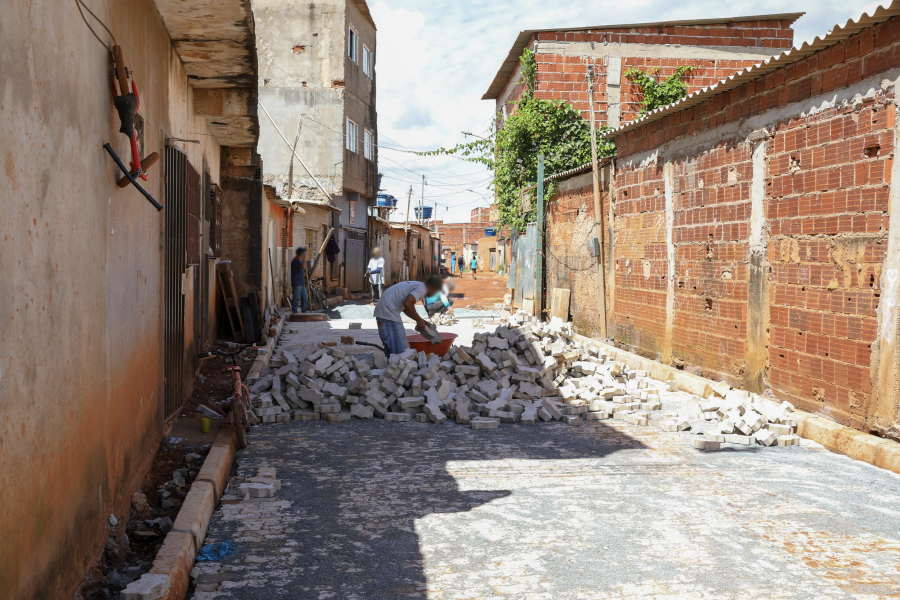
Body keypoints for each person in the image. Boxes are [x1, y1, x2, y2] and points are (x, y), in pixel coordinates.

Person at [373, 275, 443, 356]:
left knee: (393, 348)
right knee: (403, 351)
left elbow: (406, 308)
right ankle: (401, 366)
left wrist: (421, 320)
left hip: (385, 311)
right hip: (388, 313)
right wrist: (419, 321)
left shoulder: (418, 286)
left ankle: (391, 365)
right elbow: (408, 303)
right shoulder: (423, 289)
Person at [291, 247, 308, 313]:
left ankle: (304, 310)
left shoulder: (299, 260)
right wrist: (304, 258)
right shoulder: (295, 260)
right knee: (297, 297)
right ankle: (294, 311)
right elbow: (302, 266)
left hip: (301, 282)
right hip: (297, 282)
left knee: (304, 297)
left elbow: (303, 268)